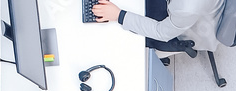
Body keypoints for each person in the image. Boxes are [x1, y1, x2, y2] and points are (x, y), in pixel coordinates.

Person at [92, 0, 225, 53]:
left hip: (180, 30)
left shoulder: (187, 7)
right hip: (186, 13)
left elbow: (161, 32)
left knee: (123, 37)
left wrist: (119, 15)